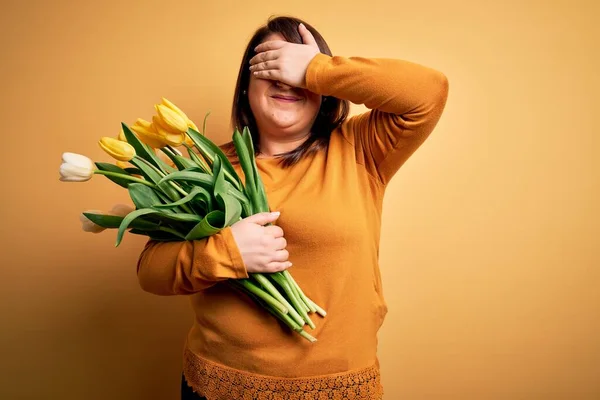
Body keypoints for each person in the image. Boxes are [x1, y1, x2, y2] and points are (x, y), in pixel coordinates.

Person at [137, 15, 449, 400]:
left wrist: (317, 69)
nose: (286, 81)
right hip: (217, 386)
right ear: (246, 87)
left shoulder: (360, 148)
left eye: (294, 67)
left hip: (334, 386)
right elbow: (150, 271)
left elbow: (429, 91)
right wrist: (228, 252)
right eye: (270, 65)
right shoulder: (206, 168)